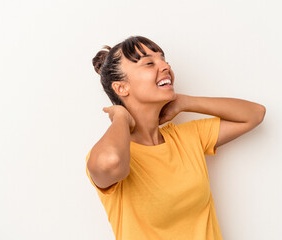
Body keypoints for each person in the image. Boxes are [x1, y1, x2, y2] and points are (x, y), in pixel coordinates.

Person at [85, 35, 266, 240]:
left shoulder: (187, 137)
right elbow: (111, 162)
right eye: (149, 63)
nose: (164, 66)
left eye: (164, 60)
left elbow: (255, 114)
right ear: (121, 88)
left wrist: (184, 102)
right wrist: (120, 117)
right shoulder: (112, 153)